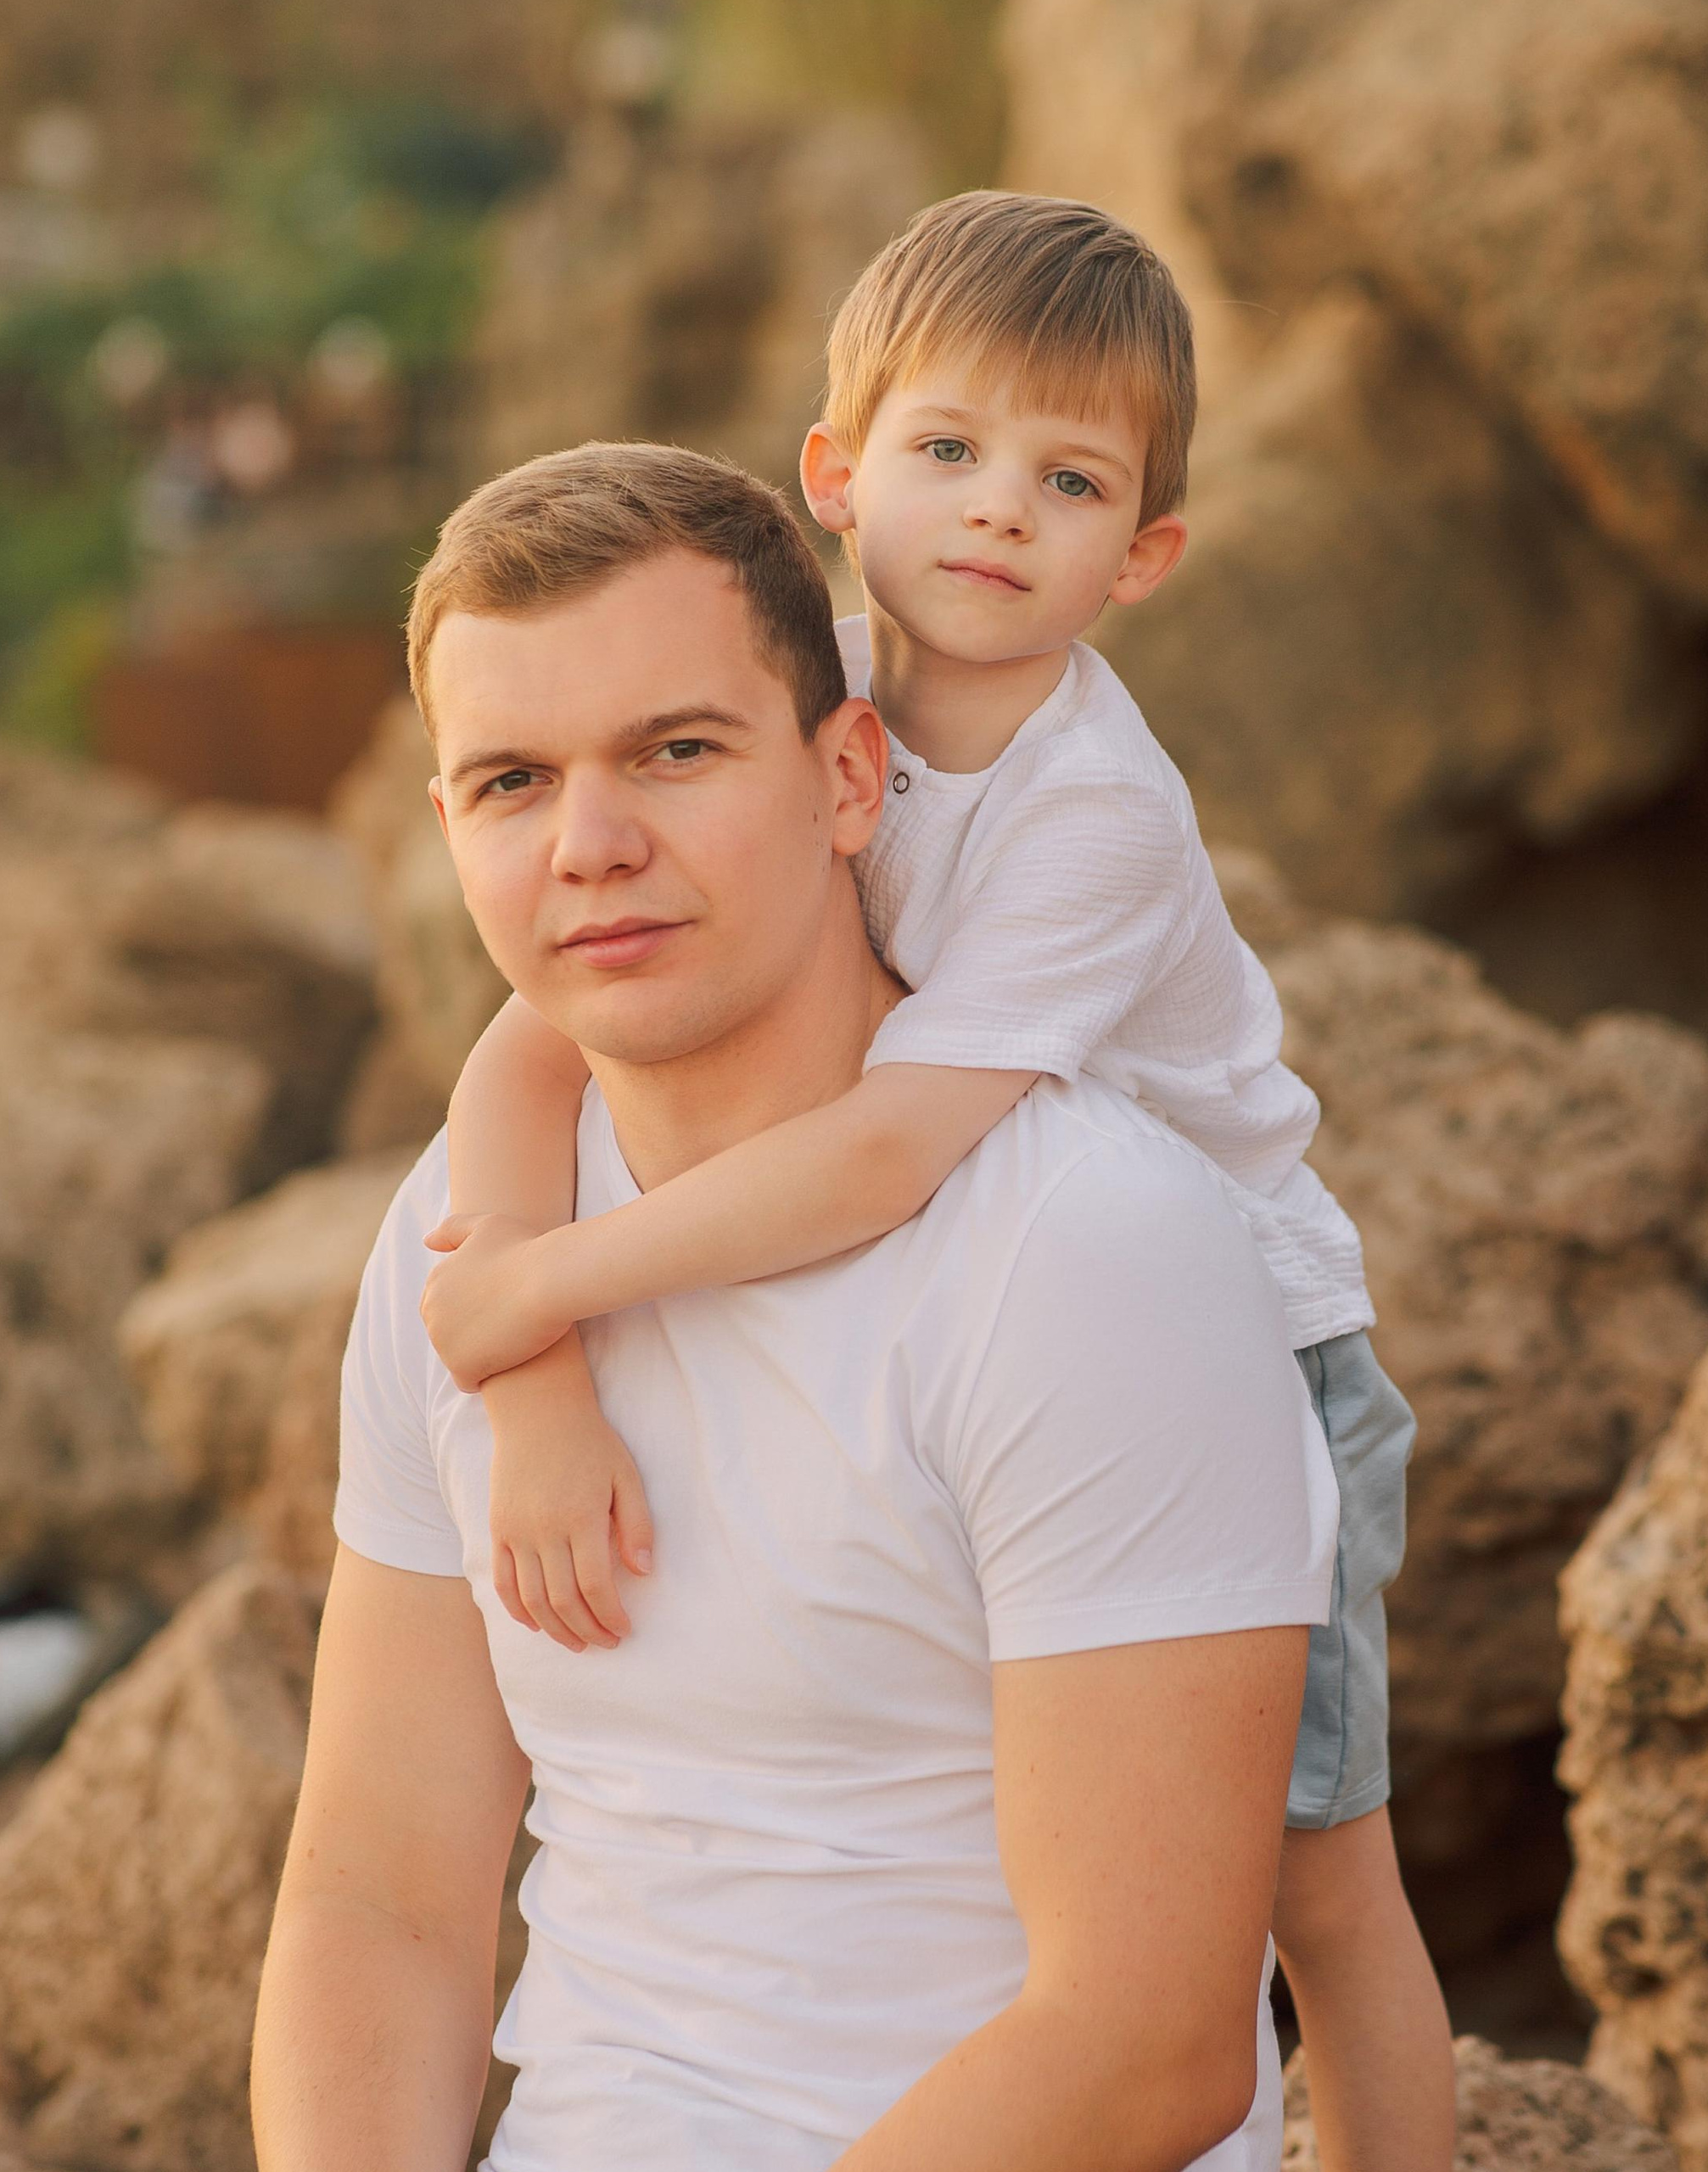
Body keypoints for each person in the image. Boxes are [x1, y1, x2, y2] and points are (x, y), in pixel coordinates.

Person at [419, 193, 1454, 2169]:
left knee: (1319, 1880)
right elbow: (541, 1023)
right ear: (838, 474)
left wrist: (547, 1282)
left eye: (1066, 482)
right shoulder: (816, 712)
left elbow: (895, 1151)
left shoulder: (1093, 816)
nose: (992, 513)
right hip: (980, 1311)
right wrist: (524, 1356)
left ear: (1141, 553)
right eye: (946, 452)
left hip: (1236, 1335)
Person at [251, 441, 1339, 2169]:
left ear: (848, 778)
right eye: (515, 780)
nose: (592, 846)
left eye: (673, 752)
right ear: (448, 826)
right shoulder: (460, 1242)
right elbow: (382, 1893)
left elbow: (1144, 2037)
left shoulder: (1086, 1249)